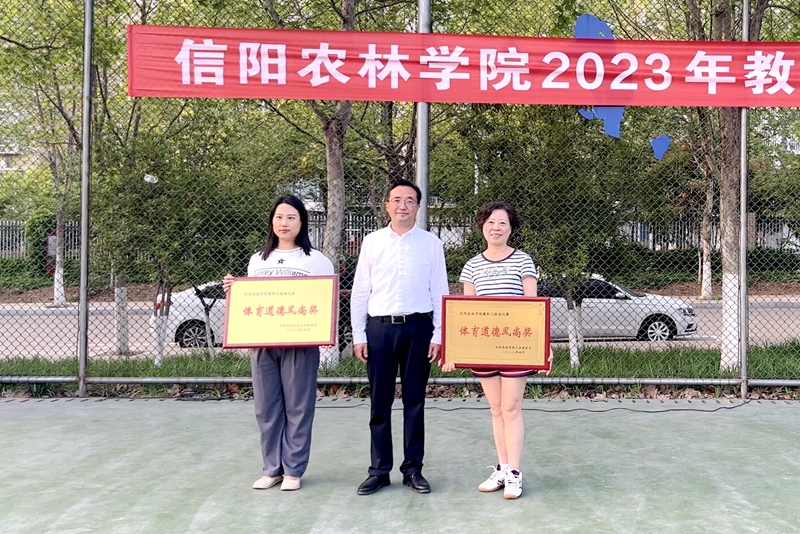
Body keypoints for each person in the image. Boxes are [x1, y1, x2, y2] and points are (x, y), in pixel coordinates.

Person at [442, 201, 553, 500]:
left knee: (511, 407)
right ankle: (502, 469)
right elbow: (466, 313)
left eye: (502, 222)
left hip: (516, 347)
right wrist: (454, 351)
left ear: (511, 228)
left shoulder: (524, 261)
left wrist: (543, 346)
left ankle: (515, 473)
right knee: (495, 408)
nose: (496, 227)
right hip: (484, 347)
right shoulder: (471, 266)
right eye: (490, 222)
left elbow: (533, 308)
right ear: (482, 226)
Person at [223, 195, 334, 492]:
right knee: (266, 407)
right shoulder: (258, 260)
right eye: (279, 217)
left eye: (291, 217)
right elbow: (250, 300)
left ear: (302, 222)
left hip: (300, 344)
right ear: (272, 221)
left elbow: (327, 300)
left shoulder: (316, 260)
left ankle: (293, 470)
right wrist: (234, 289)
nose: (284, 223)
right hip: (262, 344)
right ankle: (271, 468)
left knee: (298, 407)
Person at [350, 179, 450, 496]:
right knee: (379, 402)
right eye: (397, 199)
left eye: (409, 200)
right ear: (387, 205)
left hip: (418, 328)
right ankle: (379, 471)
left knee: (414, 401)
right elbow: (360, 291)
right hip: (379, 329)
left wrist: (438, 334)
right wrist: (358, 334)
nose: (403, 205)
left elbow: (440, 291)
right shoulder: (372, 242)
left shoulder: (431, 244)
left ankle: (413, 470)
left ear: (418, 207)